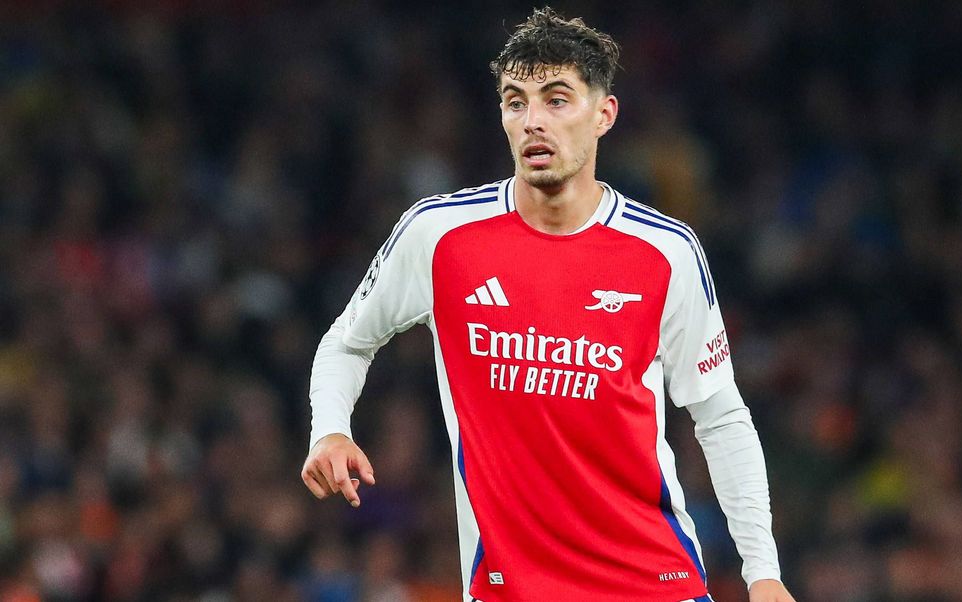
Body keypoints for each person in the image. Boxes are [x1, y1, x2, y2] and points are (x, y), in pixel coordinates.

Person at [301, 8, 795, 602]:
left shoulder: (665, 253)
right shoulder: (440, 236)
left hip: (653, 582)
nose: (533, 121)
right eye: (516, 102)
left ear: (603, 114)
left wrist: (762, 572)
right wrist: (329, 429)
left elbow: (720, 417)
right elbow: (347, 342)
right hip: (507, 589)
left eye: (557, 99)